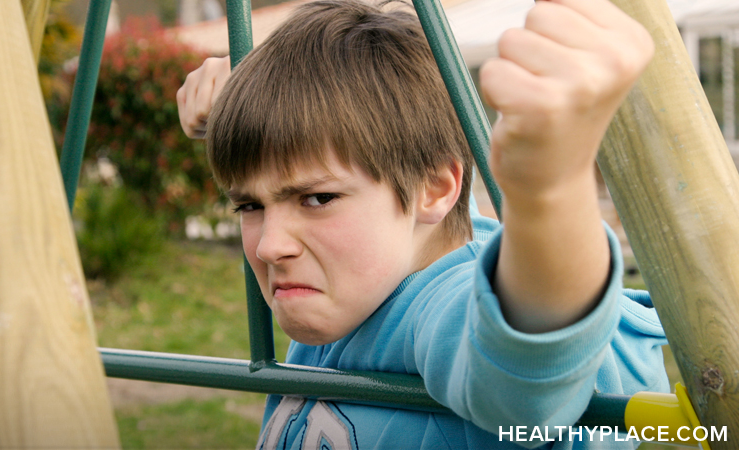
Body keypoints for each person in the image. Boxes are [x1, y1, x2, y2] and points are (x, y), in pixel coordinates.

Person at [176, 0, 669, 447]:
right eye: (249, 207)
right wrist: (250, 110)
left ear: (434, 189)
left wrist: (550, 187)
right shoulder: (364, 282)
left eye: (317, 198)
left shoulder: (439, 302)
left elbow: (523, 384)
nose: (269, 247)